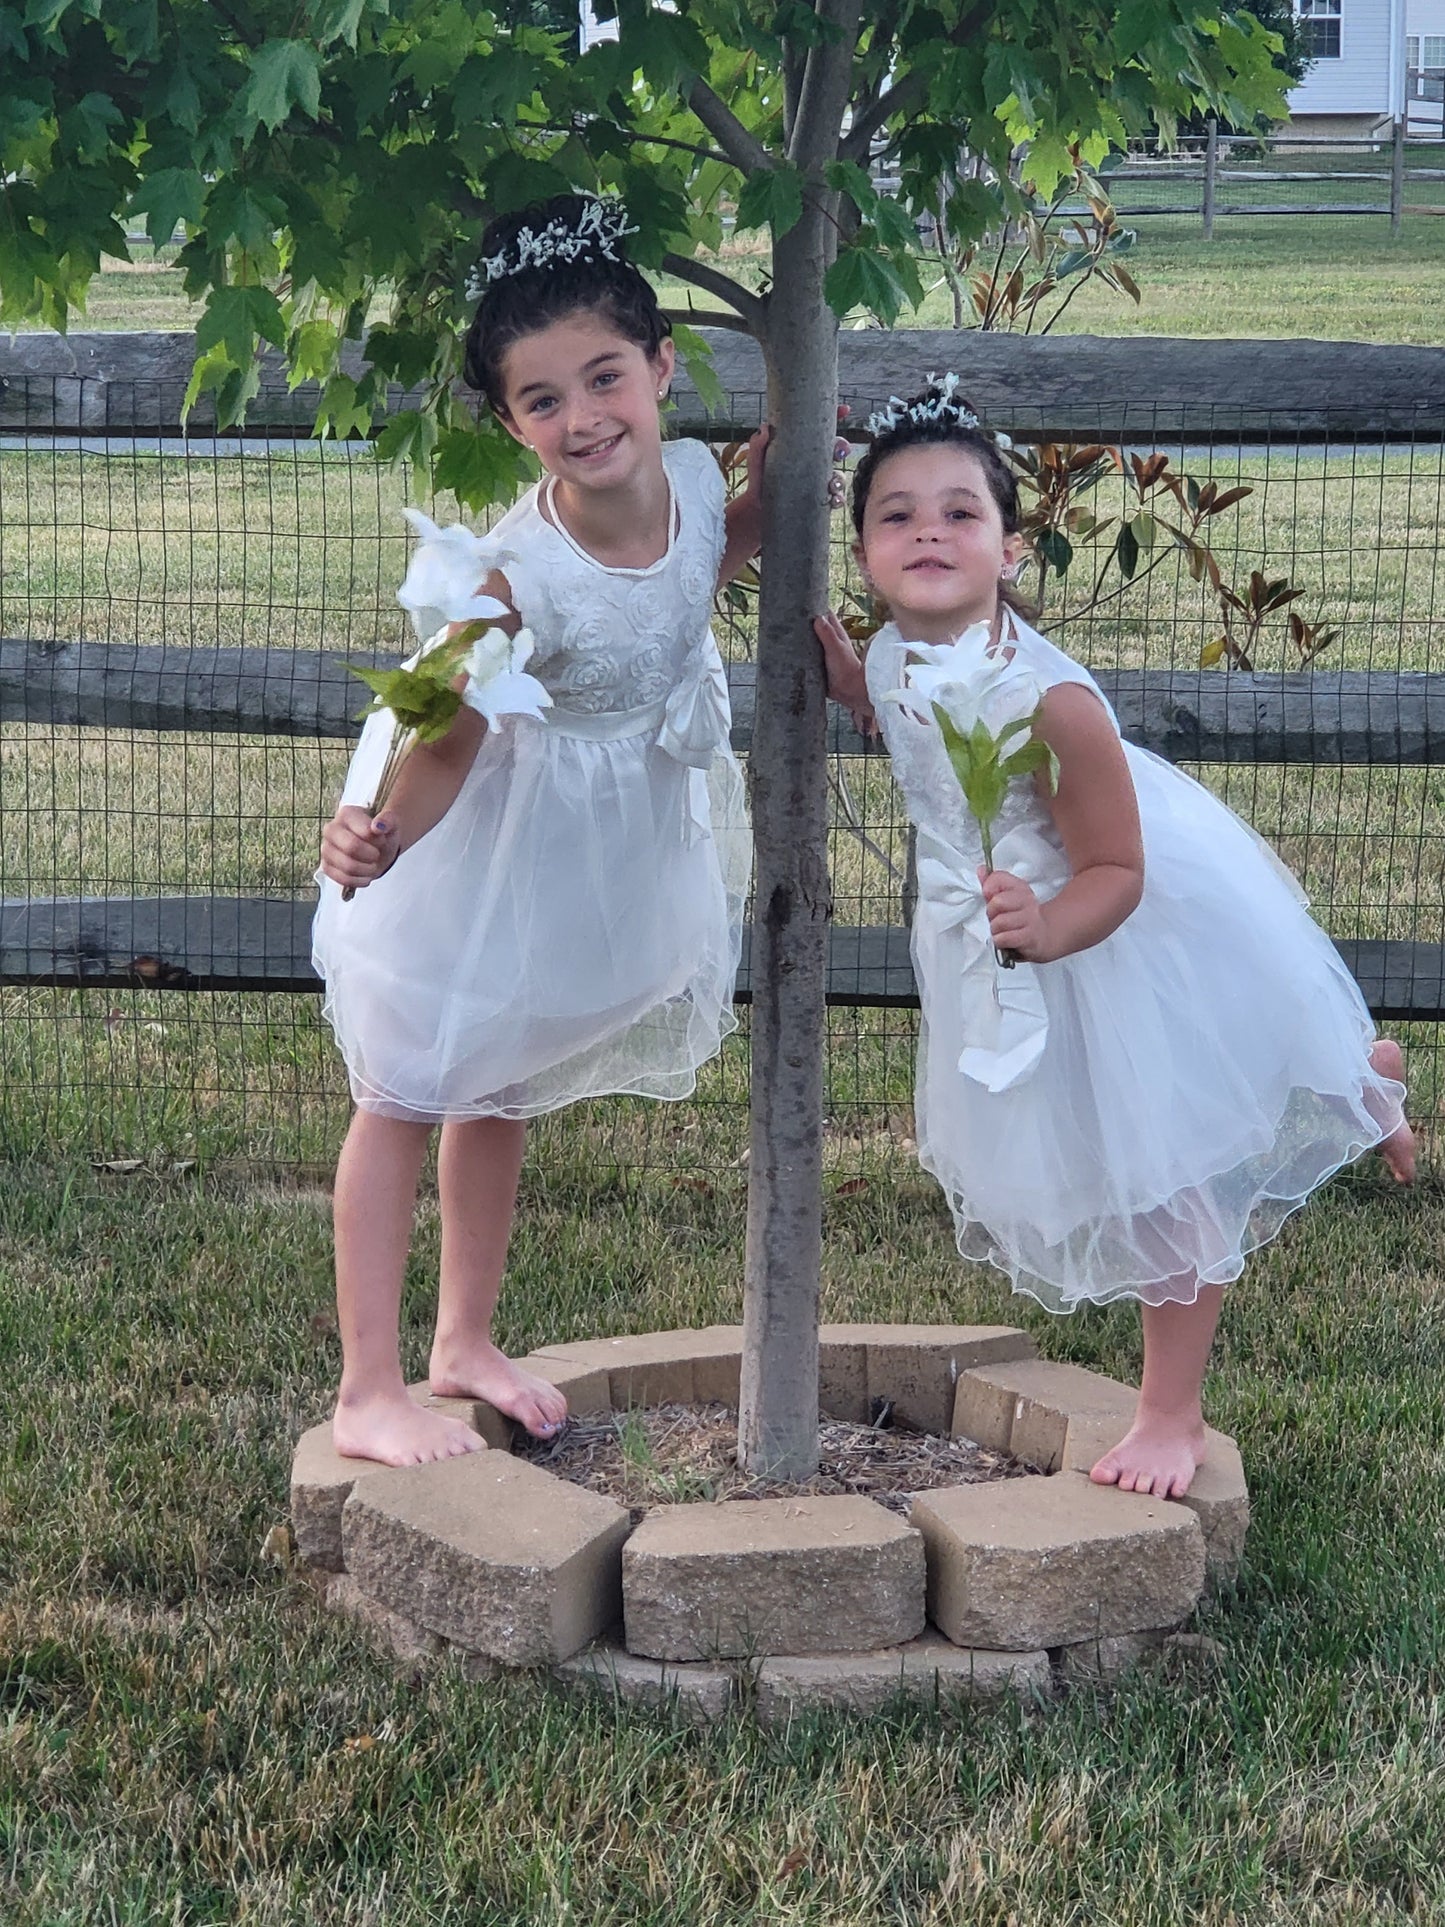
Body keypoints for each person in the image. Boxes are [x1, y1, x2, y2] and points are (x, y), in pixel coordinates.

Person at [815, 378, 1414, 1500]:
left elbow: (1118, 871)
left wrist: (1046, 929)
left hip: (1098, 923)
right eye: (894, 515)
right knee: (1096, 1141)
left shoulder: (1053, 706)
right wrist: (852, 685)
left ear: (1009, 547)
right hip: (992, 932)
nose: (927, 532)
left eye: (959, 512)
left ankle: (1168, 1414)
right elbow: (911, 732)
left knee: (1158, 1169)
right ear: (859, 554)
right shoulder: (897, 650)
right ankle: (1358, 1081)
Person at [313, 195, 761, 1467]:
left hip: (603, 827)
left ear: (661, 368)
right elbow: (445, 727)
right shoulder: (519, 578)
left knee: (493, 1087)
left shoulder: (685, 477)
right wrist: (383, 832)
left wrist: (774, 496)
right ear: (510, 424)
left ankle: (463, 1340)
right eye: (544, 401)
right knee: (407, 1089)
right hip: (477, 838)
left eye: (605, 377)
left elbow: (692, 569)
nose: (585, 418)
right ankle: (368, 1386)